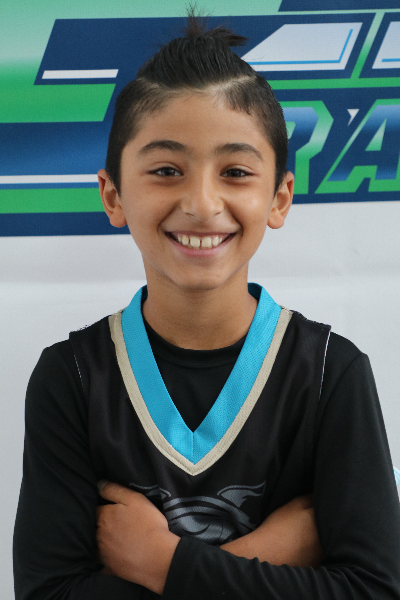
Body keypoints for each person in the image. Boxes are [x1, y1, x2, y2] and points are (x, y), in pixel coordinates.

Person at [13, 14, 400, 600]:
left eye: (236, 172)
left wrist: (161, 564)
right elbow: (48, 592)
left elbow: (374, 589)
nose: (201, 202)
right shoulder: (71, 378)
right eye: (166, 171)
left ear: (279, 197)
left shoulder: (330, 372)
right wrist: (271, 555)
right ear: (113, 195)